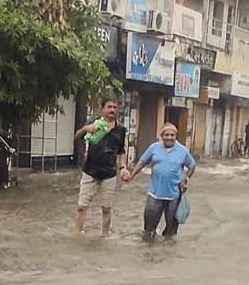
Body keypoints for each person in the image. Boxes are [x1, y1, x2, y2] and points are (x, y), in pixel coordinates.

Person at [125, 123, 196, 239]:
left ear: (176, 136)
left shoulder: (183, 151)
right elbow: (142, 162)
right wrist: (131, 176)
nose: (169, 137)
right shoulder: (154, 148)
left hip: (174, 196)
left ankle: (166, 253)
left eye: (172, 135)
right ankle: (149, 253)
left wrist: (186, 179)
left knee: (171, 231)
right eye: (166, 135)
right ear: (161, 136)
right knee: (148, 230)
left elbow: (192, 166)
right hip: (154, 194)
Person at [74, 96, 129, 237]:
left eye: (115, 107)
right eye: (109, 107)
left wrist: (123, 167)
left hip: (109, 173)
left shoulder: (121, 129)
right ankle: (77, 234)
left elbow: (121, 150)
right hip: (90, 171)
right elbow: (76, 137)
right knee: (81, 206)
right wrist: (86, 128)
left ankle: (105, 237)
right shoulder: (94, 123)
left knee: (106, 208)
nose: (112, 110)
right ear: (102, 108)